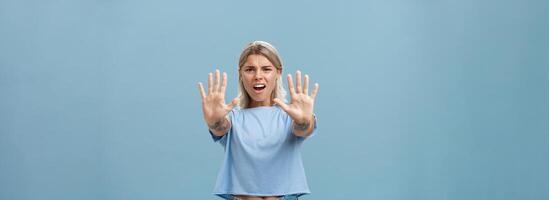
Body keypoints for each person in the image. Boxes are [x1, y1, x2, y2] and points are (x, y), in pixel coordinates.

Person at [197, 41, 319, 200]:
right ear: (241, 73)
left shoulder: (291, 115)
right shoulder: (233, 118)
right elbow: (220, 127)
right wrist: (214, 121)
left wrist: (304, 121)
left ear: (278, 73)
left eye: (266, 69)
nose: (258, 76)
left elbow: (303, 128)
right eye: (250, 70)